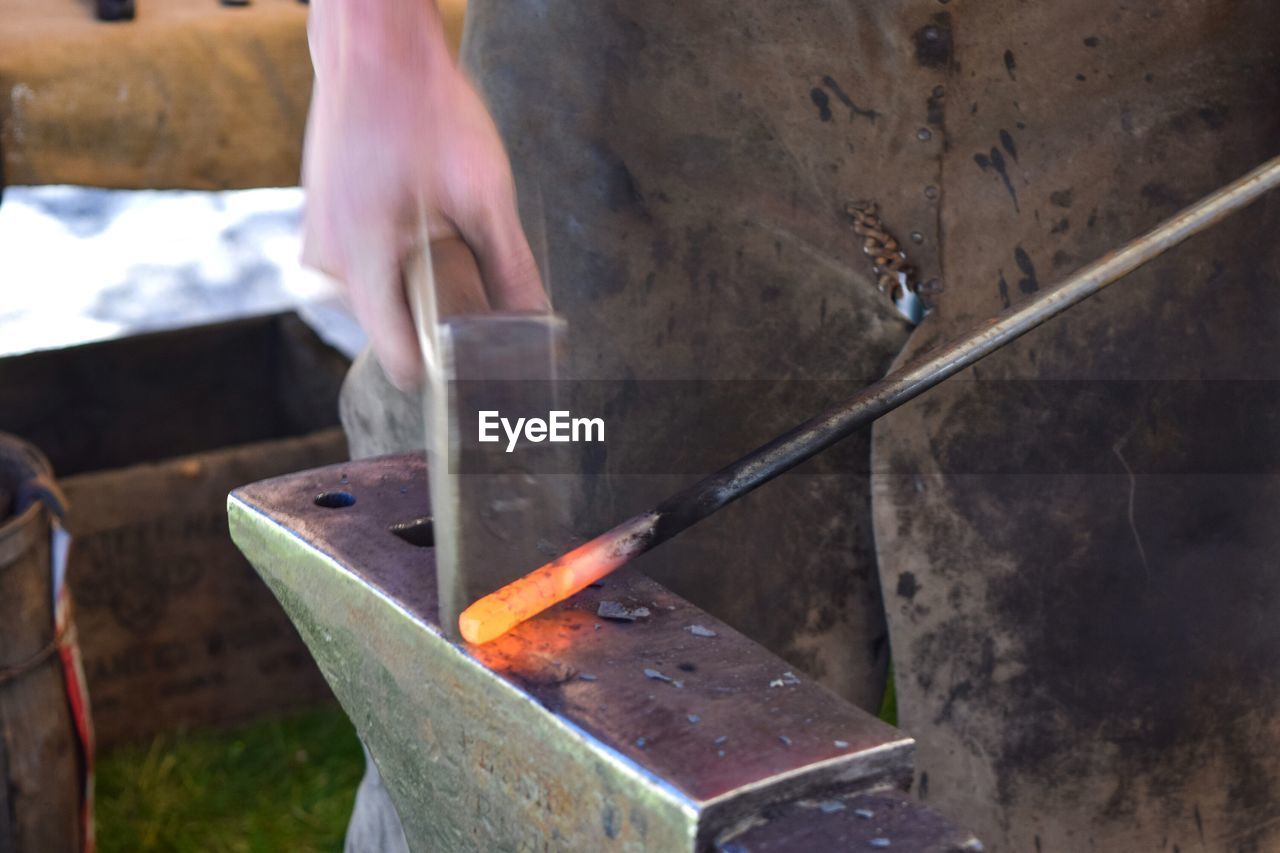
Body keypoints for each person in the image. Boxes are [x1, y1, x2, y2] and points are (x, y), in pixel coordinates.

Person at [303, 1, 1280, 850]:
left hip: (1175, 81)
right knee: (568, 754)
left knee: (1145, 776)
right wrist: (372, 38)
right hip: (632, 77)